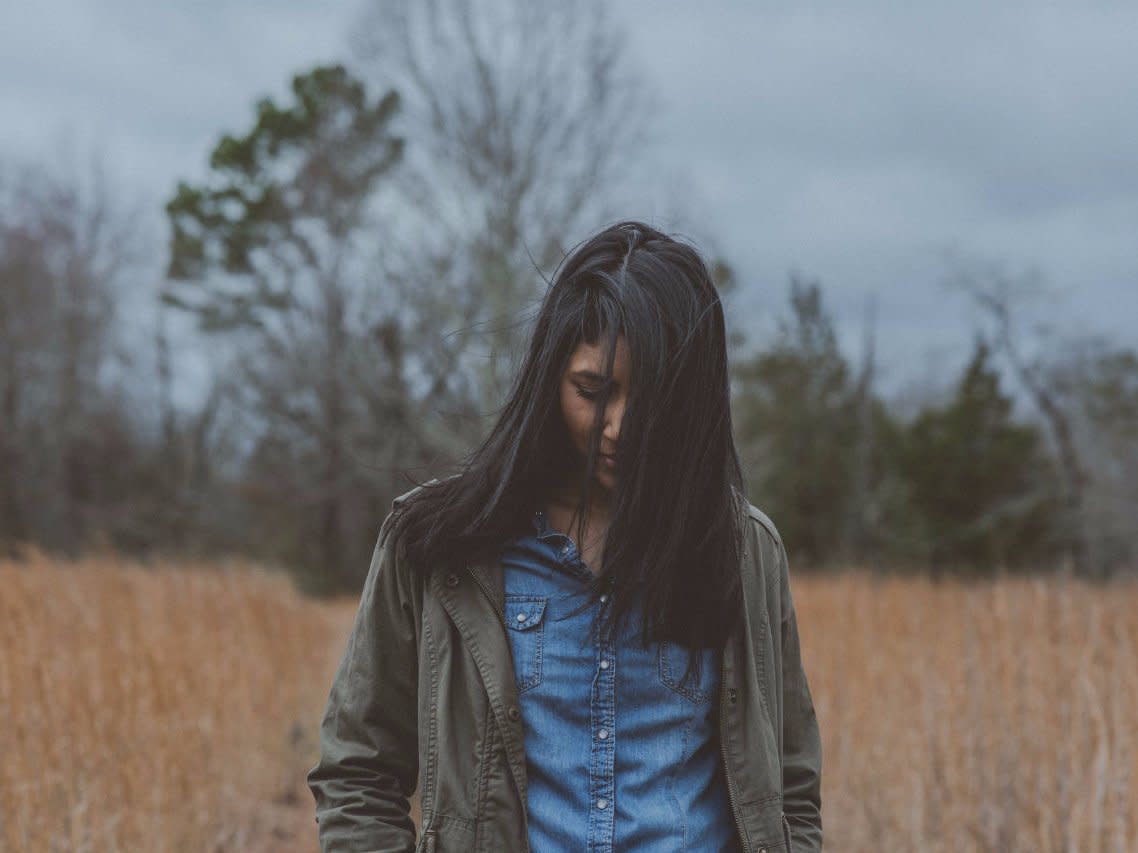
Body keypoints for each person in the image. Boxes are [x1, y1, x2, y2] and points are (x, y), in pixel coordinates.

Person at [306, 221, 823, 852]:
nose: (619, 428)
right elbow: (358, 772)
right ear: (551, 378)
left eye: (654, 399)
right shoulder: (438, 547)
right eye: (593, 390)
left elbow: (789, 790)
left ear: (692, 402)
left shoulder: (745, 552)